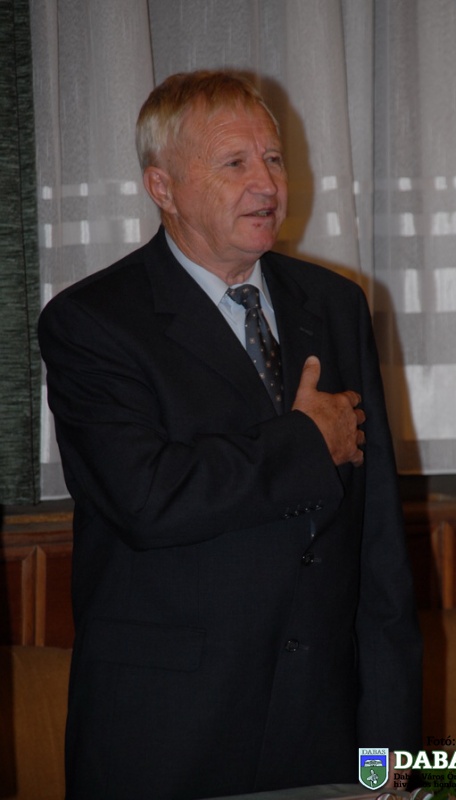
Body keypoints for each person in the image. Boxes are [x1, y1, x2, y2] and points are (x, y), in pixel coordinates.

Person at [38, 70, 422, 800]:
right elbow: (147, 500)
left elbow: (377, 549)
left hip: (325, 732)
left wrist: (392, 754)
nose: (266, 184)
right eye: (234, 163)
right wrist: (305, 443)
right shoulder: (92, 322)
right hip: (167, 738)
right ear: (163, 187)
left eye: (273, 159)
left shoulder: (334, 304)